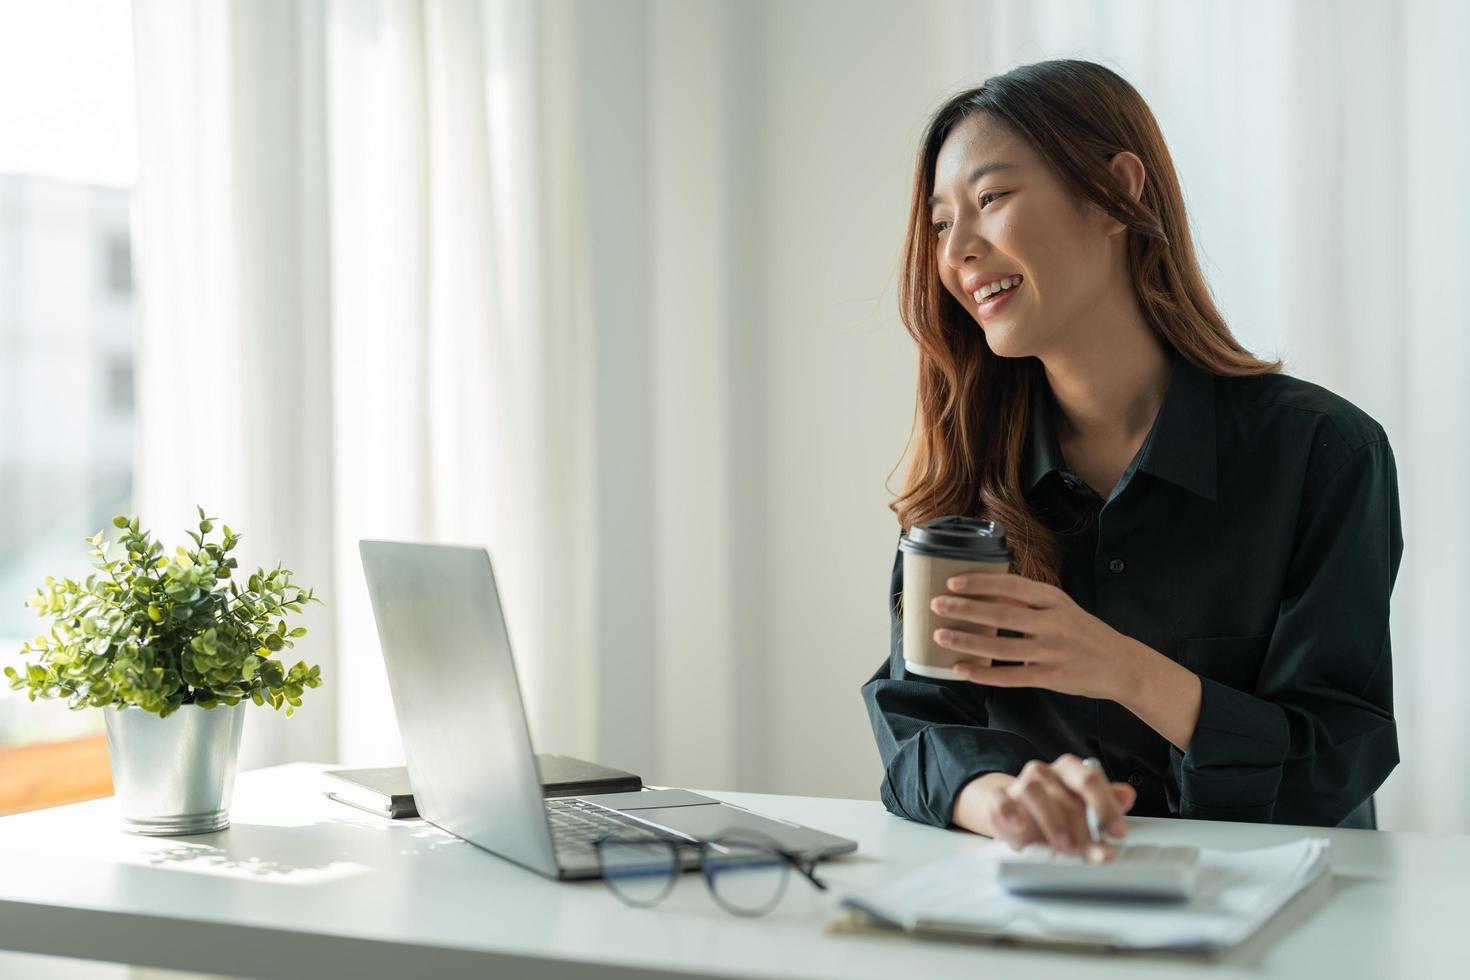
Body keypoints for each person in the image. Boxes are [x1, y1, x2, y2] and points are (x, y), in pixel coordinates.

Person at [861, 59, 1401, 862]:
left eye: (991, 199)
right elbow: (918, 724)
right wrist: (1000, 800)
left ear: (1117, 193)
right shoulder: (968, 474)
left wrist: (1121, 668)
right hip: (1034, 916)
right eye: (941, 223)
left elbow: (1336, 760)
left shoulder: (1322, 453)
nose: (958, 252)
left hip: (1283, 928)